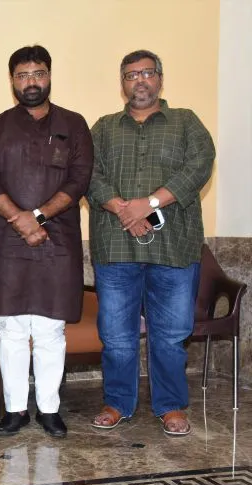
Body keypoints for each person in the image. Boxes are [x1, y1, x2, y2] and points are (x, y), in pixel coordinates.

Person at [87, 50, 214, 436]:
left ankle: (171, 406)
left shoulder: (186, 122)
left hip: (173, 246)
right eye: (130, 75)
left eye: (146, 73)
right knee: (116, 335)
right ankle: (117, 402)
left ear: (160, 78)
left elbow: (200, 165)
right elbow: (88, 173)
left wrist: (149, 203)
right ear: (121, 82)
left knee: (171, 335)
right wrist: (122, 209)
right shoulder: (104, 127)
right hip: (116, 245)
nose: (139, 80)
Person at [0, 45, 94, 438]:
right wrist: (19, 219)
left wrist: (37, 217)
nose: (31, 82)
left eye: (38, 73)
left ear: (49, 75)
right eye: (23, 75)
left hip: (56, 240)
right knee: (9, 329)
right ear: (12, 80)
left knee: (49, 330)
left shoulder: (74, 124)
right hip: (7, 243)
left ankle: (49, 409)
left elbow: (79, 180)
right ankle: (14, 410)